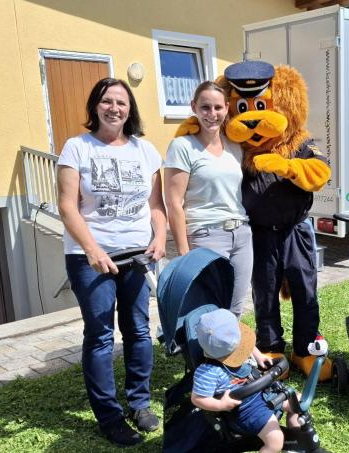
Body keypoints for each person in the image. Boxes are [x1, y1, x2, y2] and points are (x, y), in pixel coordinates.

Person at [57, 78, 166, 446]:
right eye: (107, 101)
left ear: (130, 109)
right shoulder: (77, 148)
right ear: (95, 107)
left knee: (138, 329)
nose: (114, 108)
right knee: (101, 336)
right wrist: (92, 249)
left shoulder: (146, 151)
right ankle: (109, 416)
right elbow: (67, 206)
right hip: (91, 259)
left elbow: (155, 206)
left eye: (121, 102)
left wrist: (161, 237)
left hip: (137, 257)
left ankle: (140, 402)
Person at [165, 81, 251, 317]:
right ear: (194, 107)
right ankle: (206, 355)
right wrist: (184, 253)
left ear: (226, 108)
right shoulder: (182, 146)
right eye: (205, 107)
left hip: (242, 235)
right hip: (206, 236)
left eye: (217, 108)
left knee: (235, 307)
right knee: (210, 309)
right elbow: (174, 203)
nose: (212, 114)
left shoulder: (235, 146)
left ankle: (232, 353)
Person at [192, 309, 300, 453]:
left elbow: (246, 345)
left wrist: (259, 356)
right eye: (238, 350)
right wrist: (220, 404)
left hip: (264, 390)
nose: (243, 350)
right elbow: (198, 398)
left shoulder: (234, 342)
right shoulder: (208, 372)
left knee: (298, 401)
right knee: (275, 441)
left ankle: (296, 434)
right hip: (247, 409)